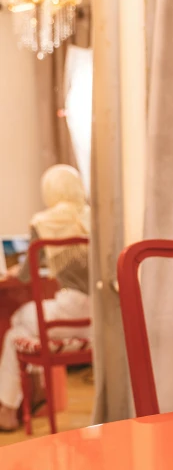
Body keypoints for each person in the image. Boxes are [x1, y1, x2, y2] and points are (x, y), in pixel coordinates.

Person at [0, 164, 91, 431]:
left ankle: (8, 407)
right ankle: (36, 394)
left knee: (16, 326)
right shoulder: (92, 217)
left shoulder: (44, 222)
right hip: (100, 316)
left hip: (71, 307)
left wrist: (16, 270)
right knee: (25, 326)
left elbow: (27, 275)